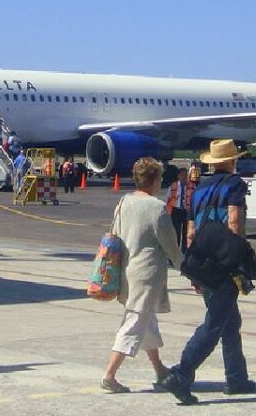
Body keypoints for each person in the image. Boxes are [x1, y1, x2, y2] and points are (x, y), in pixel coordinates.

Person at [161, 140, 255, 405]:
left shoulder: (199, 188)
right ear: (231, 161)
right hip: (225, 262)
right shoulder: (234, 185)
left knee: (229, 320)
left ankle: (237, 378)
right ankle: (181, 373)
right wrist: (238, 257)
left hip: (202, 262)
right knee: (214, 323)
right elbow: (234, 220)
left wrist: (194, 270)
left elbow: (190, 231)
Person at [100, 157, 183, 393]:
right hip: (146, 275)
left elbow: (114, 233)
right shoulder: (156, 207)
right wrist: (183, 266)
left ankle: (159, 370)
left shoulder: (124, 201)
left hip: (125, 271)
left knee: (147, 324)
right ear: (155, 180)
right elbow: (170, 245)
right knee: (134, 324)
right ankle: (109, 375)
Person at [162, 166, 187, 252]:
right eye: (182, 175)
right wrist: (168, 212)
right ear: (178, 176)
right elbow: (168, 199)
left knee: (186, 233)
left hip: (187, 211)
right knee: (176, 233)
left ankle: (185, 252)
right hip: (176, 211)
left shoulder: (191, 186)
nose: (184, 177)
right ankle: (174, 252)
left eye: (185, 175)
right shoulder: (173, 186)